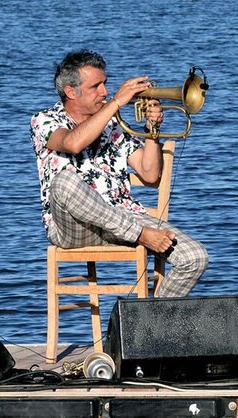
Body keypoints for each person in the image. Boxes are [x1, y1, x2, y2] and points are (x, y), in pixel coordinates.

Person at [30, 49, 208, 297]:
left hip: (122, 218)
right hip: (75, 228)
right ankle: (143, 235)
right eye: (96, 87)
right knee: (65, 183)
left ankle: (148, 326)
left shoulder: (112, 125)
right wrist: (115, 103)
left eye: (105, 84)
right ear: (71, 92)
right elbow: (72, 143)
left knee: (195, 257)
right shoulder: (44, 121)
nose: (104, 92)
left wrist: (151, 130)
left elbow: (149, 174)